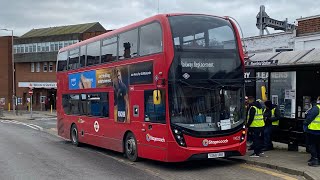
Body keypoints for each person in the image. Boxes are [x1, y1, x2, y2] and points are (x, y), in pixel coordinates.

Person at [303, 96, 320, 167]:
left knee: (312, 145)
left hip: (314, 130)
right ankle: (317, 159)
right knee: (318, 146)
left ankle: (315, 160)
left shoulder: (316, 108)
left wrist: (305, 123)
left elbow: (309, 118)